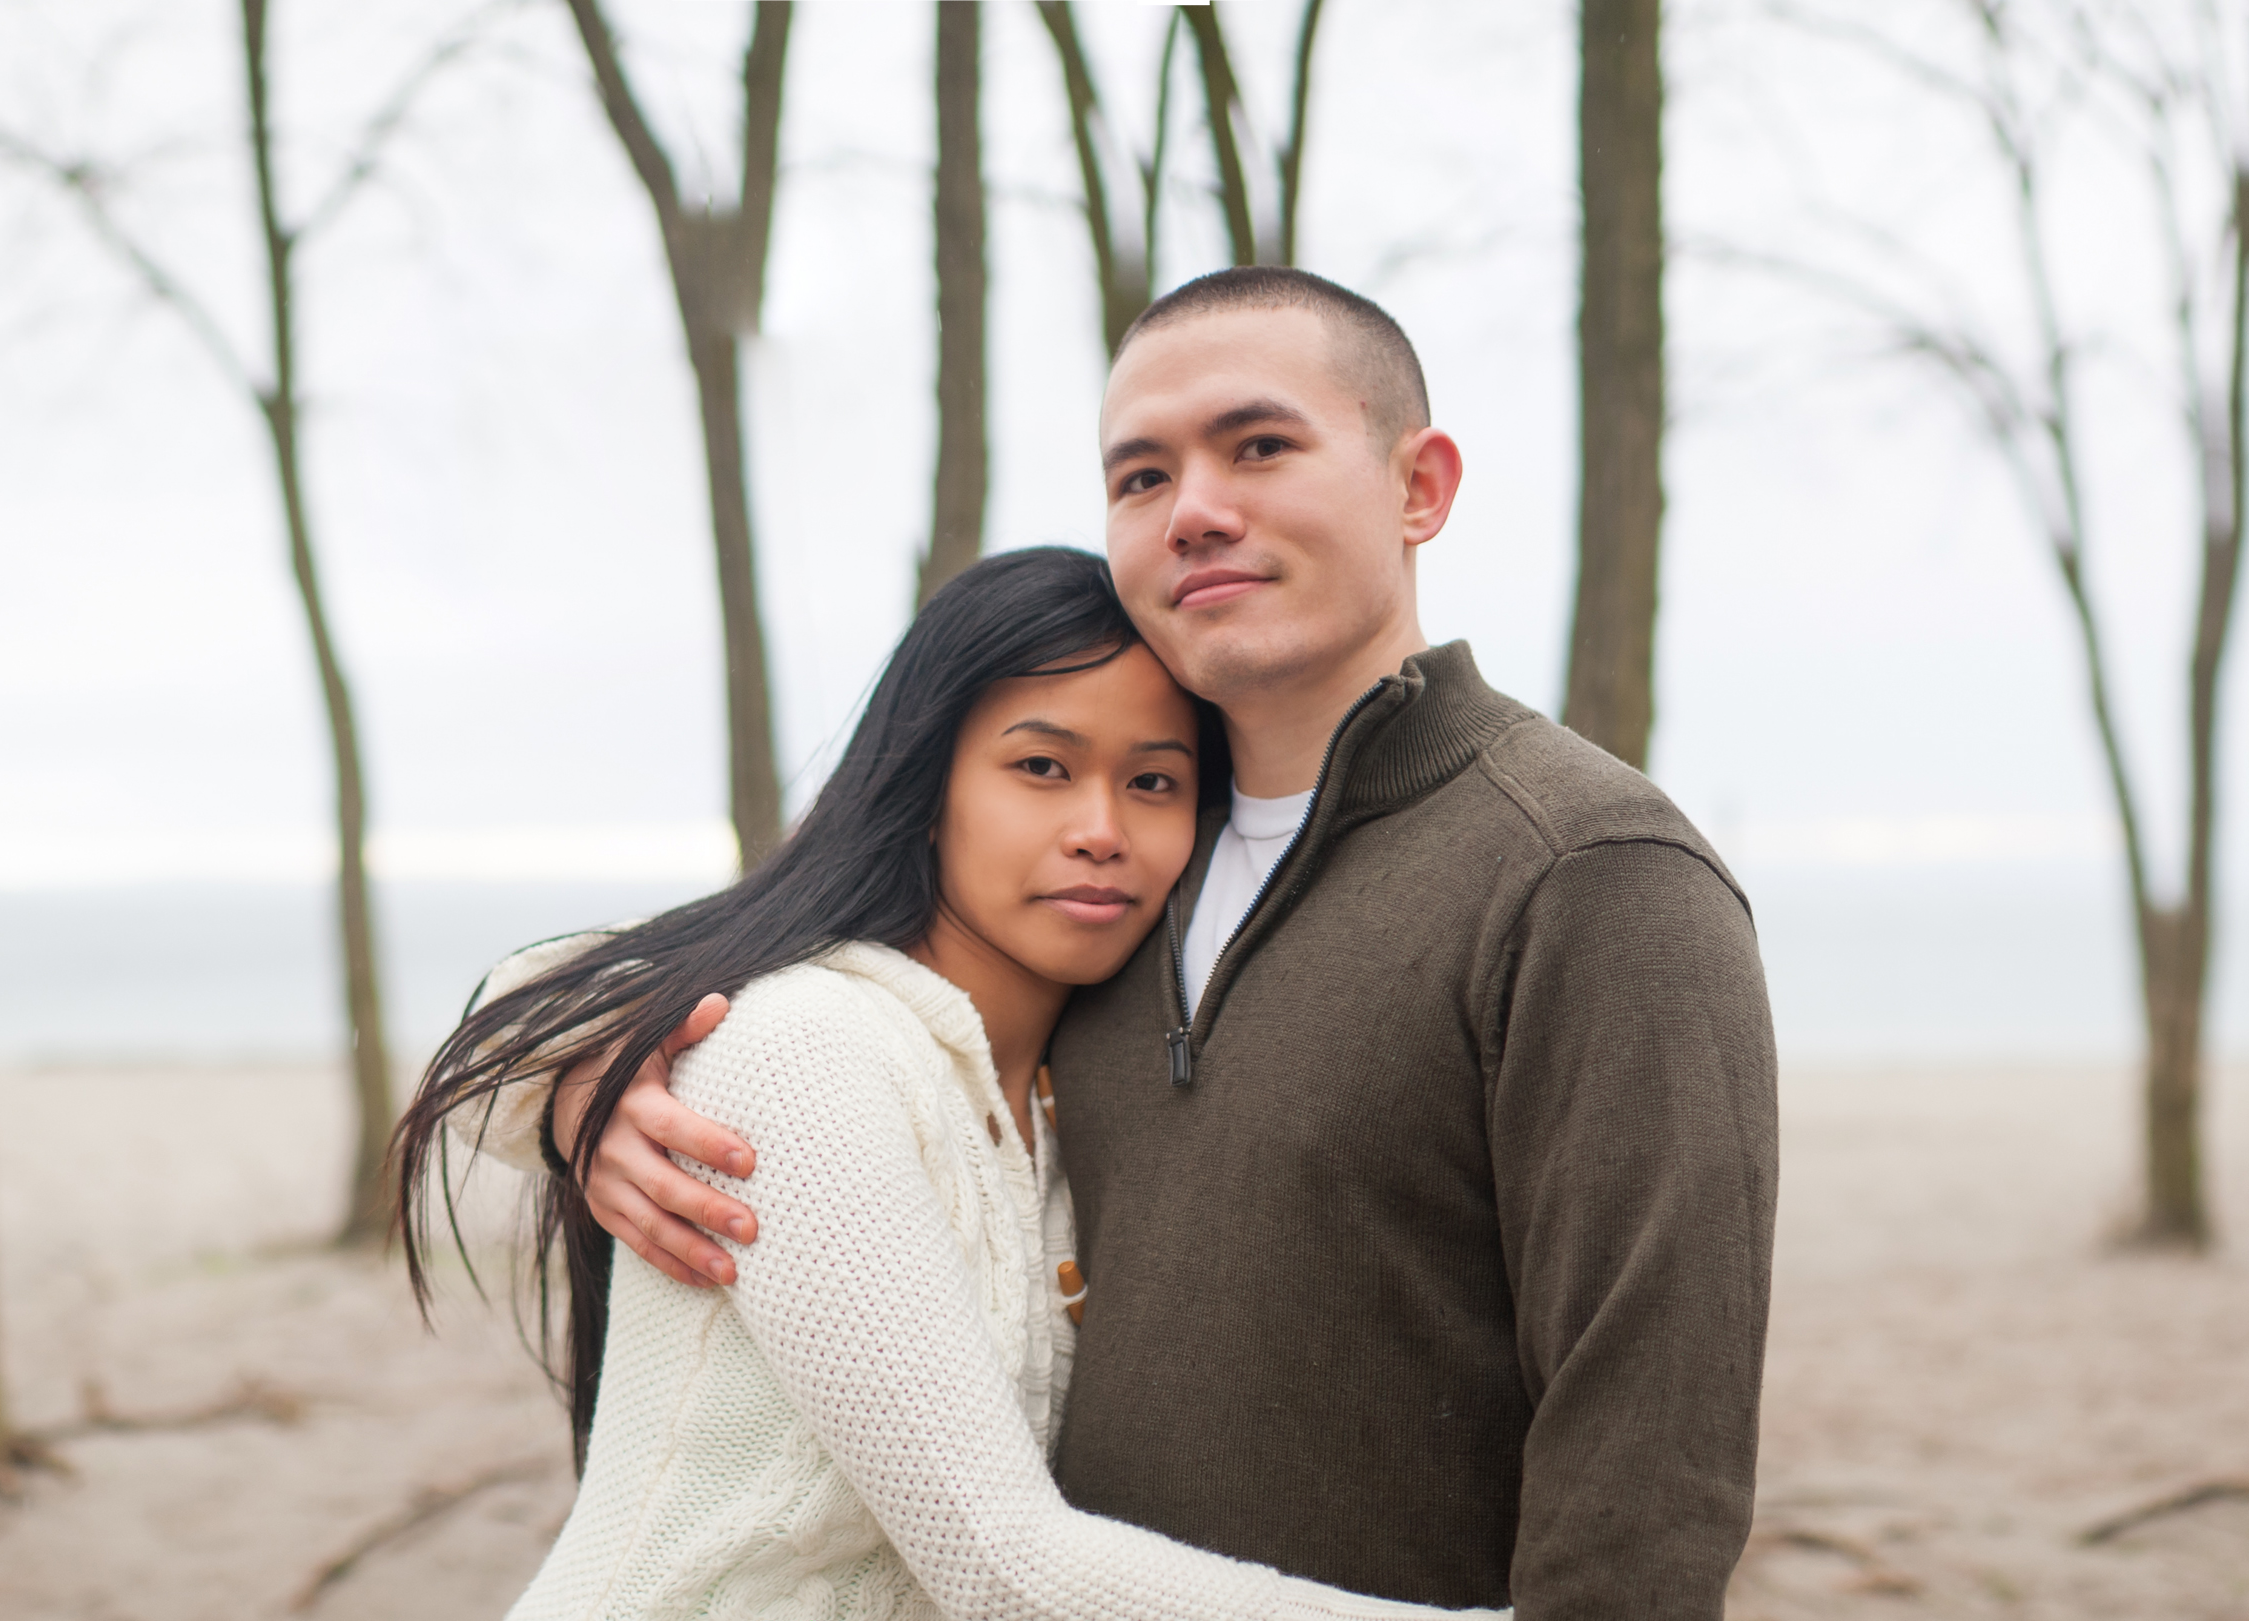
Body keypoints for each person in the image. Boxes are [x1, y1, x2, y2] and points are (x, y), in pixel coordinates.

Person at [564, 268, 1781, 1617]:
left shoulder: (1583, 871)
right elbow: (772, 994)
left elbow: (1650, 1462)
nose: (1196, 509)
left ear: (1419, 487)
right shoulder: (1116, 890)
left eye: (1260, 446)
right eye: (1140, 477)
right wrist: (575, 1073)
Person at [390, 548, 1492, 1620]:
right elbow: (1007, 1574)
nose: (1100, 831)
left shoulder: (1076, 1096)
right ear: (928, 790)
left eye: (1152, 782)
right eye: (1040, 767)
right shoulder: (810, 1049)